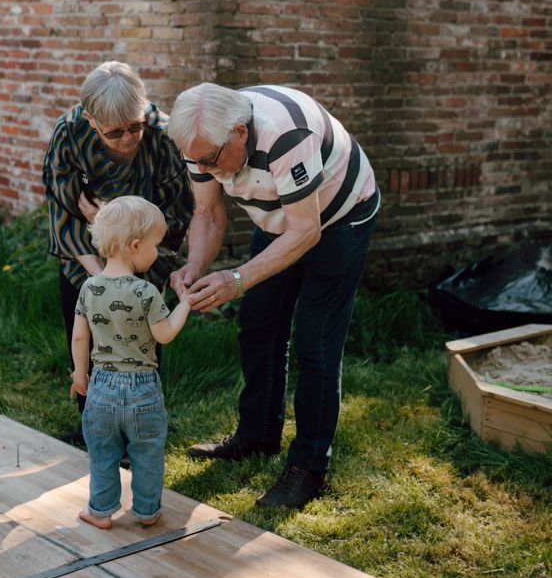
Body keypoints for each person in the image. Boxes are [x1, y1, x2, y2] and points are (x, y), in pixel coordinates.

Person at [168, 82, 379, 510]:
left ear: (241, 134)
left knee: (316, 343)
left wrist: (237, 279)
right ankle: (257, 435)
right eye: (197, 160)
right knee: (259, 325)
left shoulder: (287, 136)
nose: (206, 168)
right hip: (284, 215)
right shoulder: (202, 141)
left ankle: (309, 467)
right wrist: (195, 267)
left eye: (211, 160)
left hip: (340, 220)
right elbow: (207, 212)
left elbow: (308, 231)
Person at [43, 61, 193, 445]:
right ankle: (95, 428)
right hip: (87, 262)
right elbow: (63, 209)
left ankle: (141, 429)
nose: (128, 138)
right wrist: (101, 278)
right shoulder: (69, 134)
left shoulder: (163, 134)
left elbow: (178, 210)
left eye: (135, 126)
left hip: (148, 259)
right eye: (114, 132)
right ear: (92, 121)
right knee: (87, 343)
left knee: (144, 347)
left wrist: (138, 269)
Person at [71, 196, 192, 529]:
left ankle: (100, 511)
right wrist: (185, 304)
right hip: (142, 389)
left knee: (102, 454)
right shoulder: (146, 292)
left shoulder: (89, 288)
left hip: (101, 387)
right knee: (148, 453)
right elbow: (164, 334)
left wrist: (79, 374)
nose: (158, 252)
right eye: (155, 245)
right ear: (135, 245)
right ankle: (147, 511)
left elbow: (80, 336)